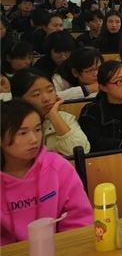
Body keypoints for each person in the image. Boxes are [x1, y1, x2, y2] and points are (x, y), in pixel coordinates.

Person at [0, 99, 93, 245]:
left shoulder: (58, 167)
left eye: (37, 130)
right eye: (22, 133)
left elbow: (79, 219)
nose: (33, 139)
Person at [10, 69, 91, 155]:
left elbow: (81, 152)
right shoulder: (11, 126)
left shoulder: (64, 118)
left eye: (50, 90)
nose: (46, 98)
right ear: (19, 100)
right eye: (36, 94)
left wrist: (54, 116)